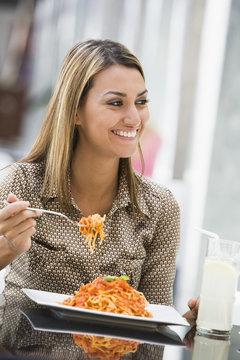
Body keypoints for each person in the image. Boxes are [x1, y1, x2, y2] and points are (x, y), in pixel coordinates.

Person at [0, 39, 194, 358]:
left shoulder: (161, 207)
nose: (135, 118)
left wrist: (187, 329)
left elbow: (153, 327)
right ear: (76, 111)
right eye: (116, 103)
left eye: (141, 102)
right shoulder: (22, 183)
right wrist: (7, 248)